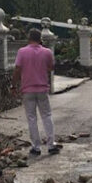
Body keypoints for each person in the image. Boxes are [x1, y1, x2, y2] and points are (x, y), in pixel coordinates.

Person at [12, 28, 60, 156]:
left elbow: (17, 69)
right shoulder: (47, 52)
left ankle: (36, 147)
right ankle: (51, 145)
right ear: (40, 40)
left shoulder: (22, 52)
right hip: (42, 88)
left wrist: (13, 85)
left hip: (27, 89)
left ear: (29, 38)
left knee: (32, 118)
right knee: (47, 116)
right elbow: (51, 68)